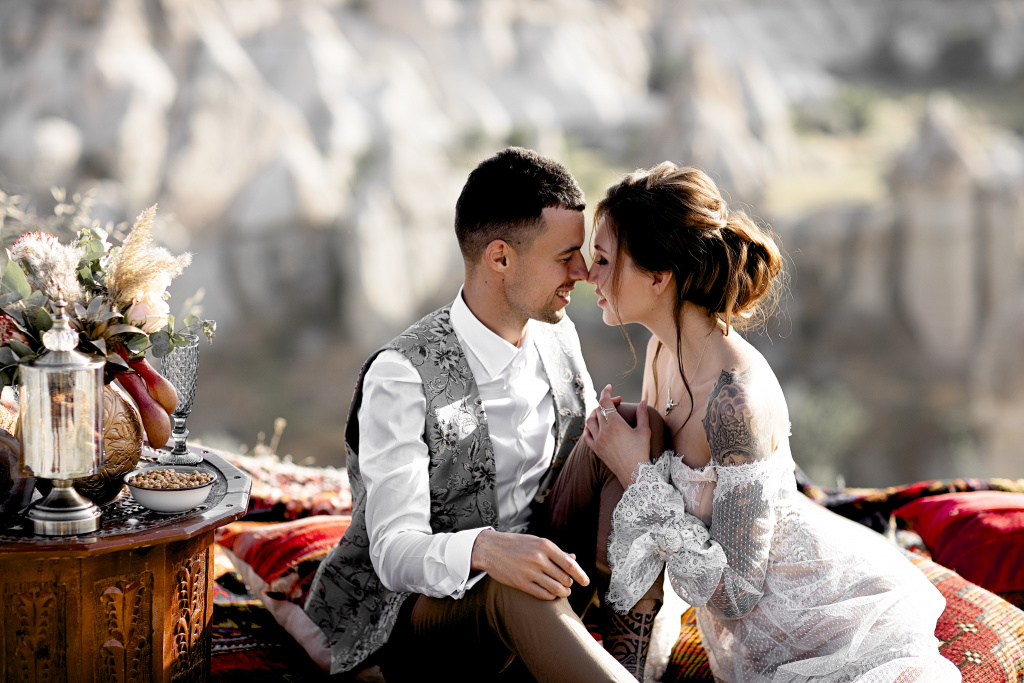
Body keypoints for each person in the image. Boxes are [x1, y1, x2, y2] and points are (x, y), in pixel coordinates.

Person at [582, 162, 962, 682]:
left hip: (807, 618)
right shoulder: (660, 353)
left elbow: (737, 594)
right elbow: (652, 529)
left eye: (604, 260)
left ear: (658, 275)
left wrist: (636, 473)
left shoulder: (735, 401)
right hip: (737, 625)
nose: (589, 274)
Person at [305, 147, 649, 682]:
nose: (582, 272)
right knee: (514, 588)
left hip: (549, 571)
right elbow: (394, 553)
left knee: (624, 429)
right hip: (425, 619)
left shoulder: (557, 334)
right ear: (500, 258)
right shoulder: (401, 376)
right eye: (565, 257)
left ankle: (628, 661)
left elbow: (584, 465)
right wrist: (488, 550)